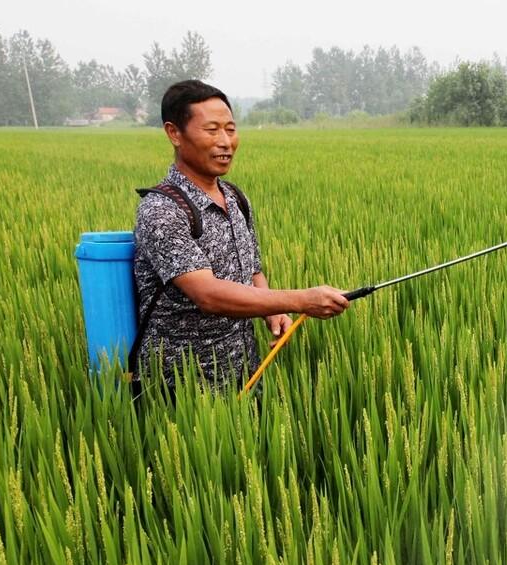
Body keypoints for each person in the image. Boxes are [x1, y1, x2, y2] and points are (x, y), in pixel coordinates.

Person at [133, 79, 348, 393]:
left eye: (230, 129)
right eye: (211, 130)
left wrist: (272, 308)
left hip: (245, 373)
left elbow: (251, 269)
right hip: (181, 389)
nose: (225, 142)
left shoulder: (234, 198)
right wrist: (301, 299)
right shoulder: (162, 210)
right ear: (174, 133)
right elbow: (207, 294)